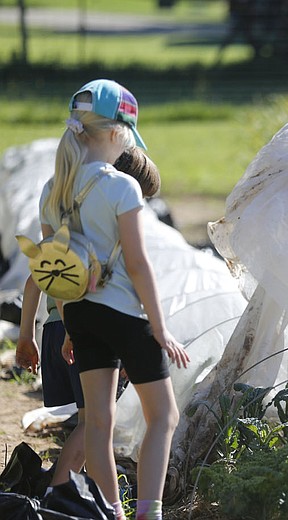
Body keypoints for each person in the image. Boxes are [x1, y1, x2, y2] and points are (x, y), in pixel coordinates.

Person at [39, 79, 189, 520]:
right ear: (118, 133)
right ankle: (149, 512)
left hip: (80, 317)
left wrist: (68, 324)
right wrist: (159, 328)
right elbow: (139, 266)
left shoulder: (53, 190)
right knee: (164, 416)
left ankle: (113, 514)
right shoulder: (123, 187)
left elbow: (55, 271)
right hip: (126, 315)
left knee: (97, 425)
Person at [15, 147, 162, 495]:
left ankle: (80, 495)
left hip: (54, 330)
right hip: (82, 333)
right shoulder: (109, 242)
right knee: (93, 425)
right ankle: (59, 496)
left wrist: (26, 337)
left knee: (90, 423)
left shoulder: (73, 229)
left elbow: (34, 279)